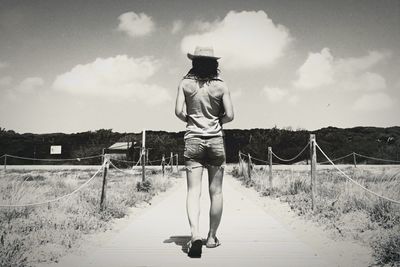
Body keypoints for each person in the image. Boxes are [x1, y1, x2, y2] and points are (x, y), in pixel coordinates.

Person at [175, 46, 234, 257]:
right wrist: (217, 120)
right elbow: (230, 115)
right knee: (216, 192)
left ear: (194, 63)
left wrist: (190, 118)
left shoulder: (185, 84)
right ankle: (211, 237)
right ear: (214, 64)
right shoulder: (221, 86)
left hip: (193, 140)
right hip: (216, 140)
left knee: (193, 192)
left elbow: (177, 112)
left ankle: (194, 235)